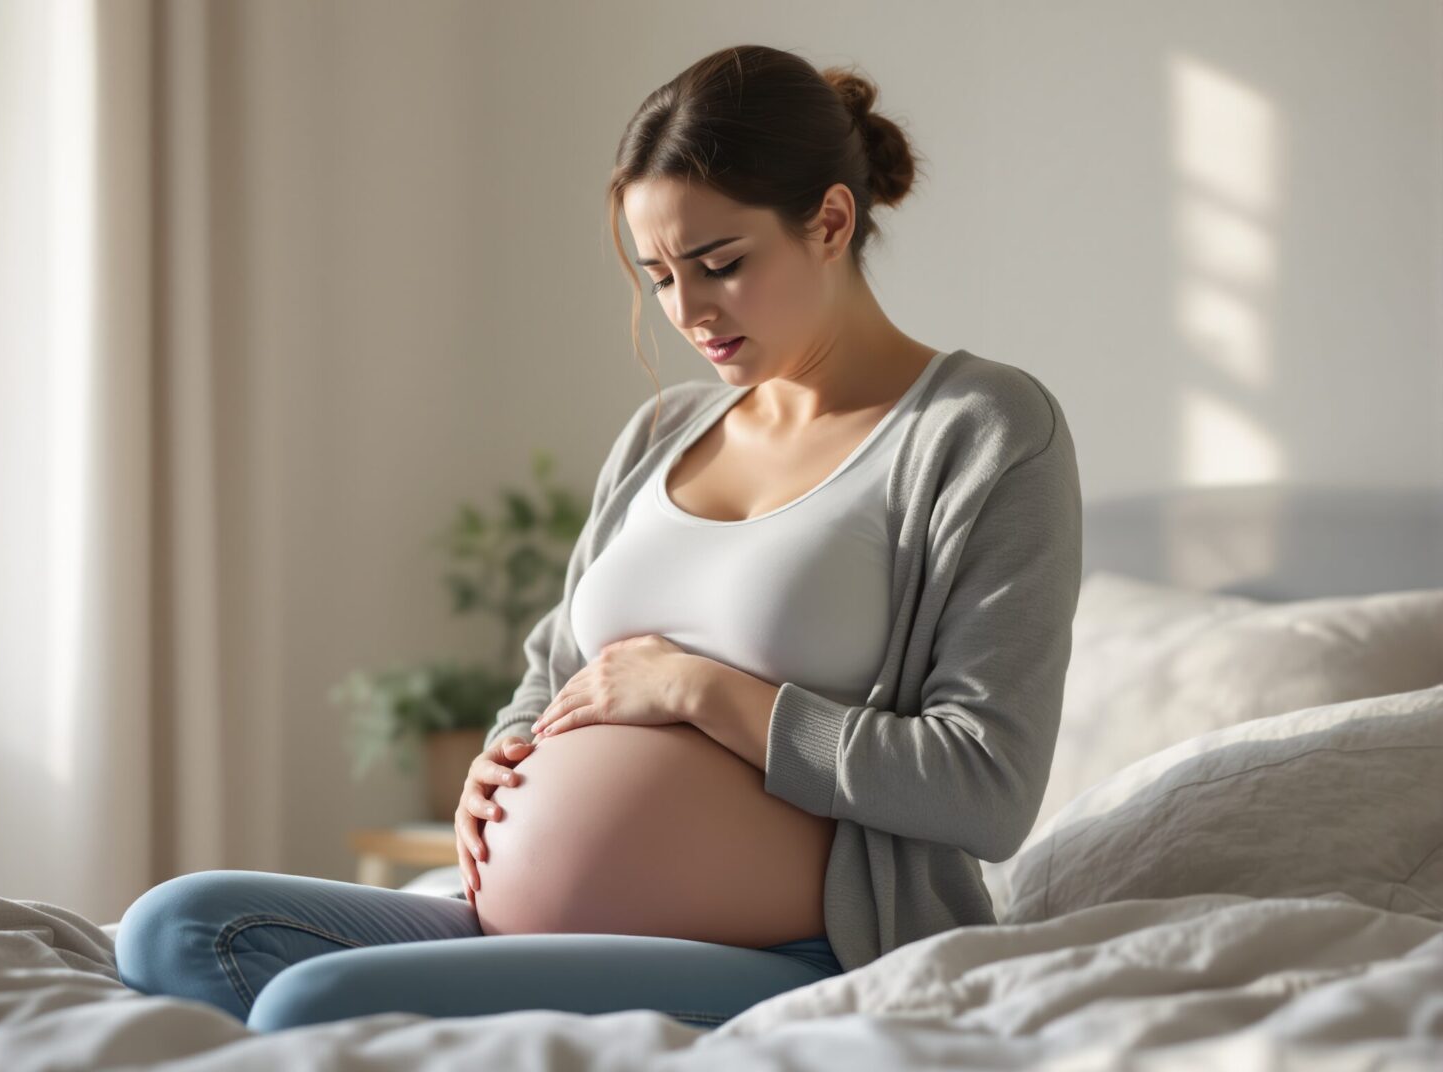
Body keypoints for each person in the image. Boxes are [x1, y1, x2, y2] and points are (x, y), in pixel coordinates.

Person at [115, 42, 1082, 1034]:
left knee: (316, 1001)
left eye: (721, 265)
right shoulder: (665, 432)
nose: (688, 312)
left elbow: (987, 788)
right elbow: (556, 668)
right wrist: (501, 757)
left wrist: (698, 688)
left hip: (797, 955)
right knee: (173, 927)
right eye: (659, 275)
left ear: (830, 221)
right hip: (521, 921)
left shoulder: (980, 427)